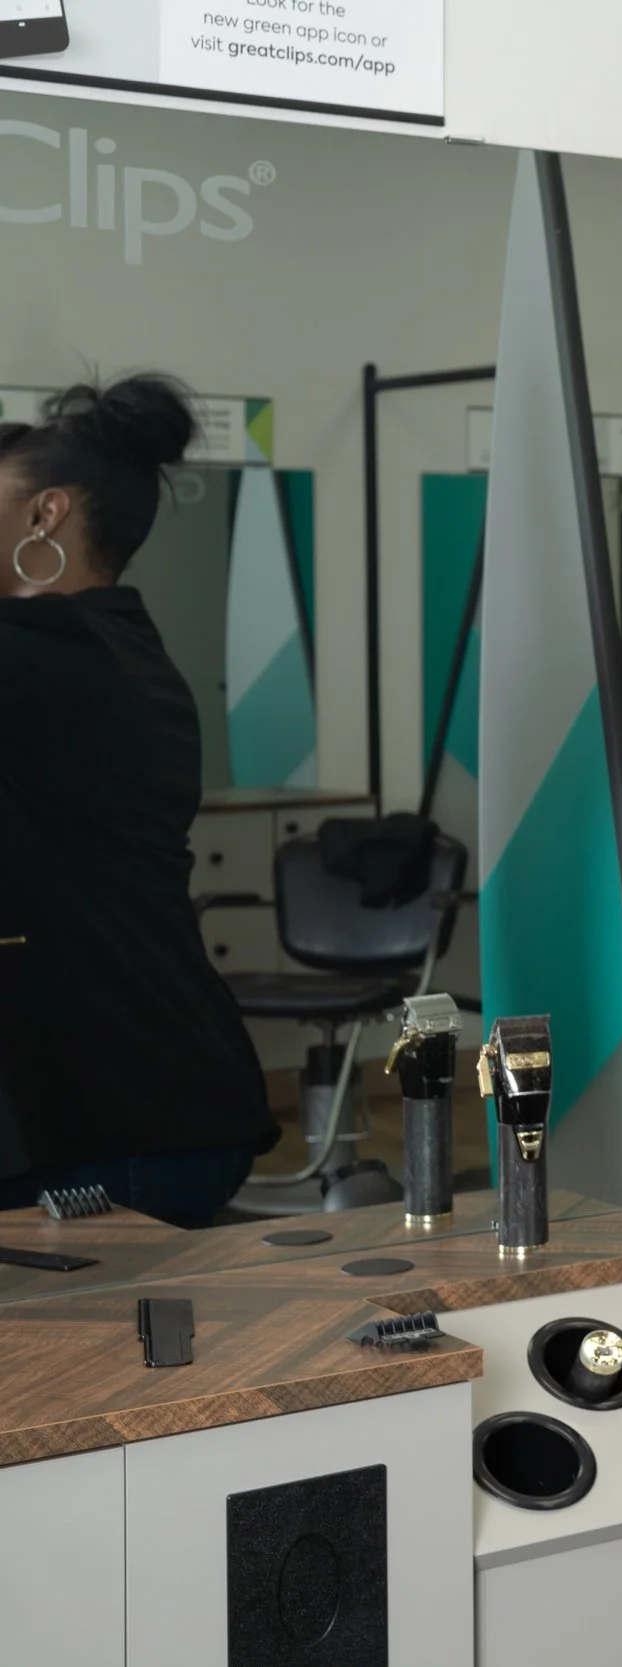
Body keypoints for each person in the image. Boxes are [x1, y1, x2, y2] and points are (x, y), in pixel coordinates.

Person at [0, 377, 274, 1227]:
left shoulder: (51, 659)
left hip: (115, 1126)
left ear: (45, 515)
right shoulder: (111, 648)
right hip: (149, 1100)